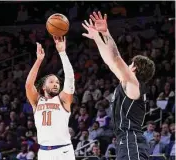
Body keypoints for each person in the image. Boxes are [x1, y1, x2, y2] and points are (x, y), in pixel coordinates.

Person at [82, 11, 155, 160]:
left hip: (131, 141)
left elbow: (115, 58)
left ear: (134, 68)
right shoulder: (129, 84)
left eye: (130, 64)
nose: (127, 65)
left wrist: (105, 33)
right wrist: (97, 36)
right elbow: (110, 61)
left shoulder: (134, 83)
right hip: (128, 142)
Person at [25, 36, 75, 160]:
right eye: (52, 82)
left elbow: (70, 78)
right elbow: (28, 85)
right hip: (44, 152)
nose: (55, 84)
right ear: (43, 87)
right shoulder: (37, 101)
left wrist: (62, 53)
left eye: (57, 82)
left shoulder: (63, 100)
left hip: (64, 151)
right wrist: (39, 60)